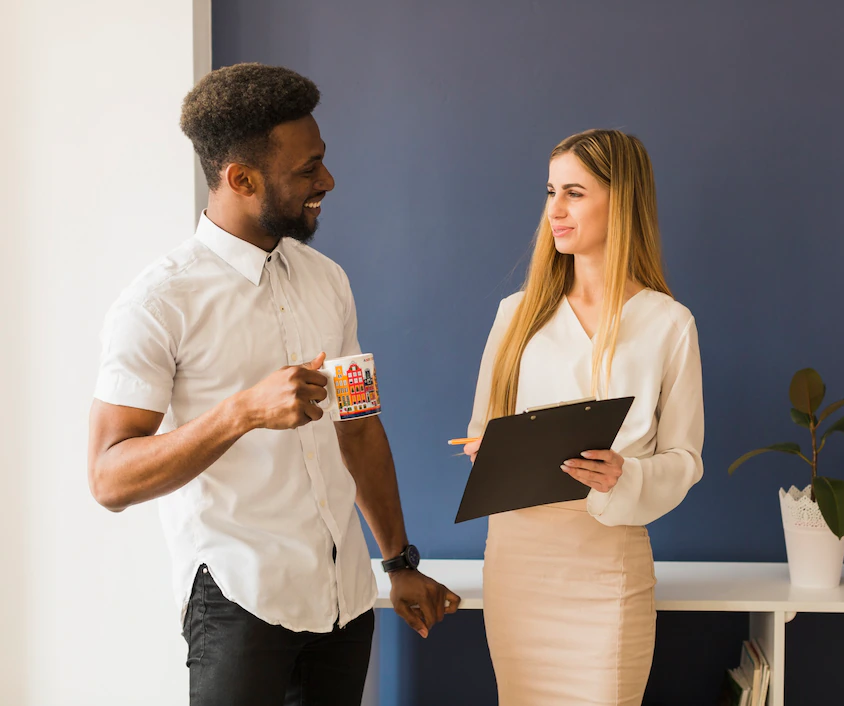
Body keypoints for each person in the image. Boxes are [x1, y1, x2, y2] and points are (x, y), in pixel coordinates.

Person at [88, 63, 459, 706]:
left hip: (343, 602)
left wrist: (398, 563)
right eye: (307, 169)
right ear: (241, 178)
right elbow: (109, 478)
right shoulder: (157, 302)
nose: (328, 181)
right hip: (239, 601)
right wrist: (241, 413)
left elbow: (360, 423)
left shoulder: (329, 281)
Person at [464, 128, 704, 705]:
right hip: (519, 566)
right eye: (550, 193)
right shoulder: (515, 316)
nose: (555, 211)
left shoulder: (669, 324)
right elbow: (479, 429)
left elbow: (685, 458)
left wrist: (628, 475)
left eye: (574, 192)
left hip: (607, 567)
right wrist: (489, 450)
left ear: (620, 201)